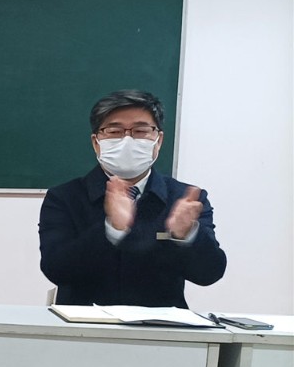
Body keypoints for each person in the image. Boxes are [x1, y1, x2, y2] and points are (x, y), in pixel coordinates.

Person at [39, 90, 226, 308]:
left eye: (140, 131)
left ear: (158, 140)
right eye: (114, 131)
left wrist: (186, 236)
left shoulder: (184, 198)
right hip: (84, 323)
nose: (127, 140)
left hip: (161, 325)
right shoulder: (64, 197)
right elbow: (56, 269)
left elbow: (209, 274)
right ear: (96, 142)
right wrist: (112, 229)